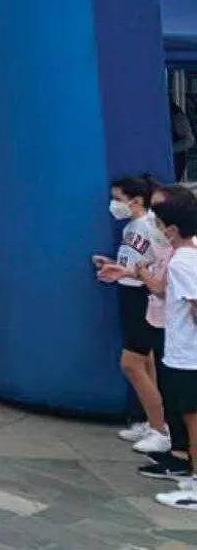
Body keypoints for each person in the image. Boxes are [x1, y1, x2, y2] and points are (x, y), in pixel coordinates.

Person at [98, 176, 171, 449]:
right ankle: (152, 422)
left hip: (144, 296)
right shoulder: (131, 227)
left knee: (132, 363)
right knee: (145, 361)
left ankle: (160, 428)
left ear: (136, 201)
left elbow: (161, 264)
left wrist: (137, 275)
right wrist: (115, 266)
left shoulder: (150, 226)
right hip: (129, 291)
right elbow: (137, 262)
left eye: (118, 198)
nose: (114, 204)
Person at [147, 192, 197, 509]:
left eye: (163, 225)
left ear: (173, 229)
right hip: (185, 353)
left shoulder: (182, 262)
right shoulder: (190, 257)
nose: (161, 231)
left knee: (193, 418)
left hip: (188, 355)